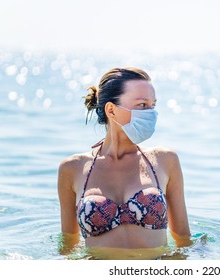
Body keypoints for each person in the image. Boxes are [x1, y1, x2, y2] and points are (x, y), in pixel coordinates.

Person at [57, 67, 191, 258]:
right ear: (111, 110)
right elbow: (68, 246)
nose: (151, 113)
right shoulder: (72, 168)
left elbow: (184, 240)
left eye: (153, 105)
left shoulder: (165, 160)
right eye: (142, 105)